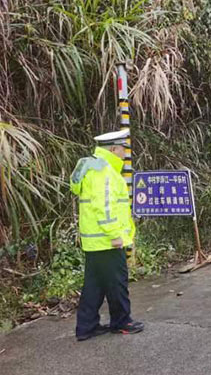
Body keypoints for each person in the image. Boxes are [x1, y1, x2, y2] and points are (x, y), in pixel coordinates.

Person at [70, 129, 144, 341]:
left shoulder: (92, 166)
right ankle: (122, 322)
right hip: (107, 240)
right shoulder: (105, 172)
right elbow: (104, 207)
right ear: (113, 149)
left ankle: (87, 327)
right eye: (123, 149)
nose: (125, 153)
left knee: (94, 285)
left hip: (94, 241)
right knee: (116, 282)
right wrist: (114, 234)